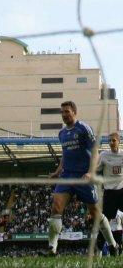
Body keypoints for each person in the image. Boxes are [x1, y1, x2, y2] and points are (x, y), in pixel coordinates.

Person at [46, 101, 118, 256]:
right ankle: (52, 248)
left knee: (96, 214)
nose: (64, 115)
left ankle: (113, 245)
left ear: (74, 112)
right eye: (62, 112)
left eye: (67, 111)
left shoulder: (83, 128)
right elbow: (65, 155)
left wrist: (91, 173)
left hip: (83, 176)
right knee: (56, 207)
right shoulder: (62, 133)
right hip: (67, 177)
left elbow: (95, 151)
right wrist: (57, 171)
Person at [94, 132, 123, 256]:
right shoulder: (104, 155)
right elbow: (97, 170)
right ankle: (99, 251)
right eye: (109, 141)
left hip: (122, 190)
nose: (111, 143)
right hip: (110, 192)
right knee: (104, 222)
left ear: (119, 141)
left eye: (113, 140)